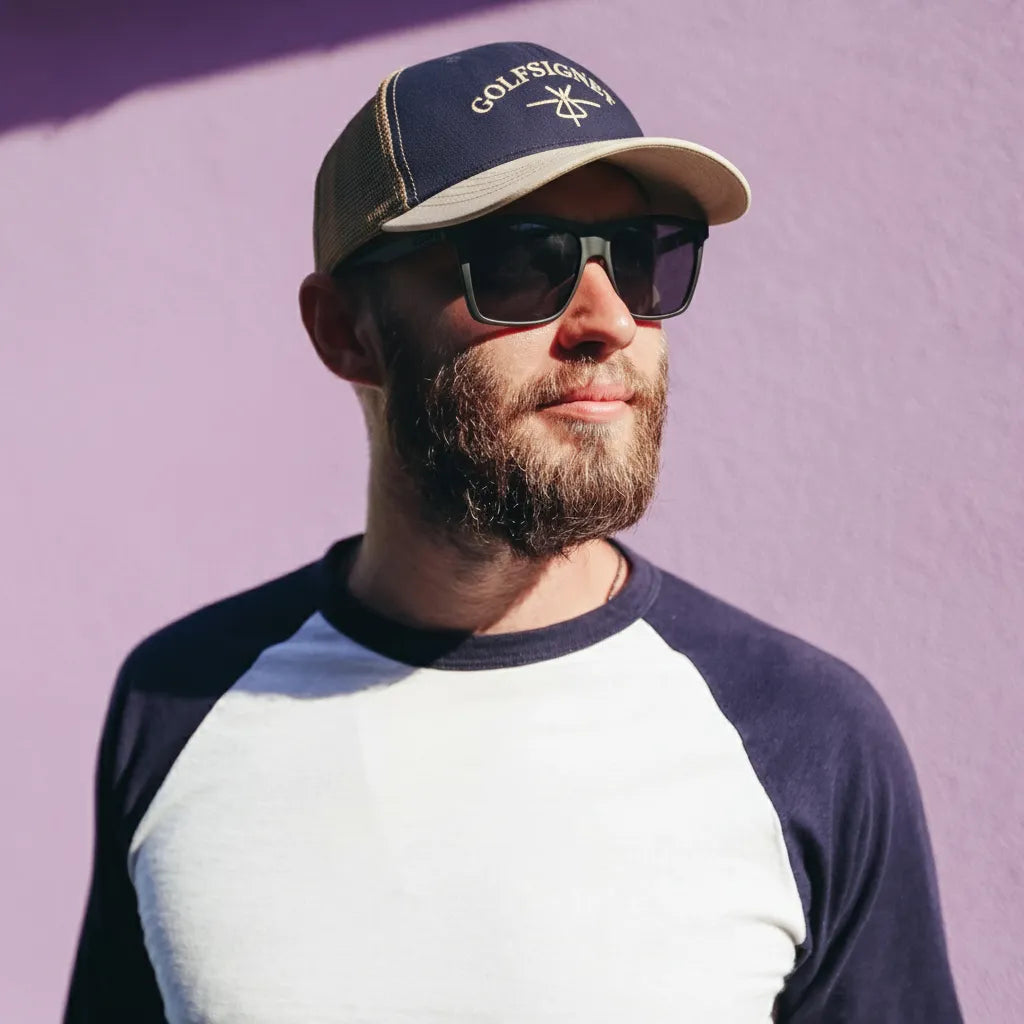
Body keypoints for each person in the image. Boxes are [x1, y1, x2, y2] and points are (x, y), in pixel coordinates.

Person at [64, 41, 962, 1024]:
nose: (607, 318)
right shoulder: (180, 703)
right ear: (346, 333)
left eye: (637, 256)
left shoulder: (807, 737)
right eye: (520, 263)